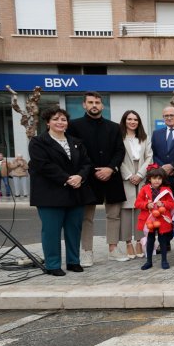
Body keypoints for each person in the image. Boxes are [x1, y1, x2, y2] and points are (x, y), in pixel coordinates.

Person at [29, 107, 95, 276]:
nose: (60, 122)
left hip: (76, 192)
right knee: (51, 231)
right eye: (56, 119)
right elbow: (43, 165)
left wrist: (80, 177)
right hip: (50, 194)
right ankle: (52, 264)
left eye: (63, 119)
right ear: (48, 122)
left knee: (74, 229)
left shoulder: (76, 142)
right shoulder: (38, 142)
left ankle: (73, 261)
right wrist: (67, 178)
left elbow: (87, 163)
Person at [67, 91, 126, 267]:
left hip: (112, 176)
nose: (94, 105)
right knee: (86, 217)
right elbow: (74, 152)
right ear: (84, 105)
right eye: (91, 102)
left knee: (114, 215)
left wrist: (110, 168)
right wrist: (90, 170)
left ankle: (113, 249)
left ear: (102, 105)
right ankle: (87, 252)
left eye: (98, 102)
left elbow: (119, 151)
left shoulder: (114, 127)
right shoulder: (74, 126)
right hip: (87, 177)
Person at [119, 110, 153, 261]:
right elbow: (117, 157)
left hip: (141, 173)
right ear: (124, 121)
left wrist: (140, 174)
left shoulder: (145, 138)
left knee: (141, 210)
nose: (132, 122)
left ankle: (140, 241)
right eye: (129, 119)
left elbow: (149, 157)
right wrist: (128, 175)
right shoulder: (119, 137)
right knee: (126, 212)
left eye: (135, 120)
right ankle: (128, 243)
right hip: (125, 174)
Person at [135, 165, 174, 270]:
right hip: (149, 220)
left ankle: (164, 260)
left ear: (162, 179)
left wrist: (163, 203)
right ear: (149, 178)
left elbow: (172, 204)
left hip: (162, 219)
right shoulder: (144, 189)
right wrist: (146, 205)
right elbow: (137, 203)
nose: (157, 181)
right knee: (150, 240)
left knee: (163, 241)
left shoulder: (167, 190)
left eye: (159, 178)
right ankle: (149, 261)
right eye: (154, 178)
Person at [151, 105, 174, 189]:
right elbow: (153, 153)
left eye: (172, 115)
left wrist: (172, 166)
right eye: (166, 115)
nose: (169, 118)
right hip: (160, 178)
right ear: (163, 118)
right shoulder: (156, 134)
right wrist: (162, 168)